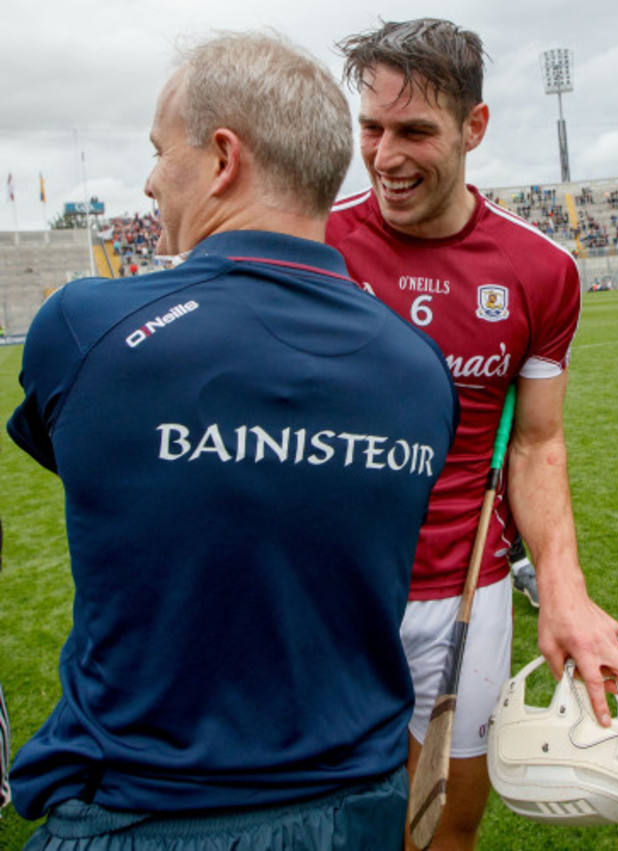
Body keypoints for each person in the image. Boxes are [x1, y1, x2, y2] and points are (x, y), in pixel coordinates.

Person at [6, 31, 459, 851]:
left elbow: (91, 460)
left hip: (144, 812)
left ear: (222, 158)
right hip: (362, 807)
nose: (148, 181)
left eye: (156, 151)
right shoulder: (421, 369)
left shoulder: (88, 326)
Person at [326, 18, 618, 850]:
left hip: (467, 592)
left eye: (415, 131)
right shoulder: (316, 242)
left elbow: (537, 444)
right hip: (326, 587)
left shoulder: (541, 270)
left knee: (443, 829)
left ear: (475, 127)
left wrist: (563, 589)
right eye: (371, 128)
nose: (386, 156)